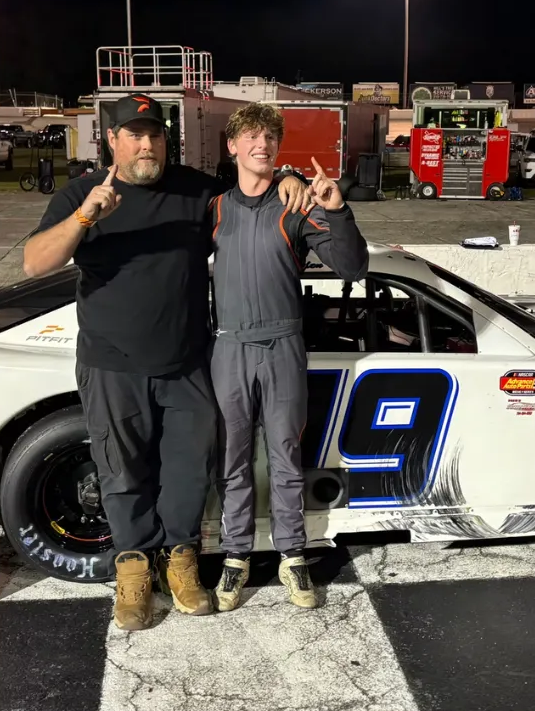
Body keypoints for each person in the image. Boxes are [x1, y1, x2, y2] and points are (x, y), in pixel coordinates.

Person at [22, 93, 310, 632]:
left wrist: (288, 175)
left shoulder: (196, 192)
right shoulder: (83, 193)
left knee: (186, 472)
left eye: (154, 134)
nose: (146, 145)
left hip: (187, 363)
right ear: (112, 139)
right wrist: (85, 217)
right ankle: (133, 570)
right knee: (122, 471)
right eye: (134, 135)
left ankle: (180, 562)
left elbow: (251, 189)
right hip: (112, 364)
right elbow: (35, 262)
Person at [209, 103, 369, 613]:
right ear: (232, 146)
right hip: (229, 345)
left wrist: (337, 210)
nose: (262, 145)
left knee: (285, 457)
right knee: (232, 460)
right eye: (251, 136)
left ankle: (292, 555)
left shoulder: (296, 205)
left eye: (270, 138)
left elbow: (352, 267)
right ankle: (236, 556)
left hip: (282, 345)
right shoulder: (213, 208)